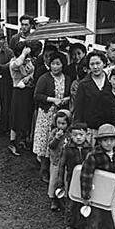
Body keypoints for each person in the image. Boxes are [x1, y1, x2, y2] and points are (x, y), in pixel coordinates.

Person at [80, 123, 115, 229]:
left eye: (111, 140)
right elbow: (86, 176)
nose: (109, 143)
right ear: (99, 141)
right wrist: (86, 196)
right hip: (97, 193)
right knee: (96, 220)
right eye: (105, 140)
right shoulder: (93, 155)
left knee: (109, 220)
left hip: (111, 194)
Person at [33, 53, 71, 183]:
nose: (55, 67)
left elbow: (70, 94)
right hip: (47, 114)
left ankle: (55, 170)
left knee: (58, 140)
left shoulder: (67, 78)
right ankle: (44, 170)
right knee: (45, 141)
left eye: (58, 64)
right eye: (53, 64)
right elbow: (37, 95)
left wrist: (66, 99)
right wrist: (52, 100)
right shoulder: (44, 78)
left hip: (61, 115)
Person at [56, 122, 91, 229]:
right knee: (72, 202)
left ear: (86, 134)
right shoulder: (67, 148)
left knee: (86, 201)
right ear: (70, 135)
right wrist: (60, 183)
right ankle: (70, 223)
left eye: (81, 134)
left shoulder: (90, 149)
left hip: (86, 180)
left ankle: (84, 222)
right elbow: (61, 166)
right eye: (75, 135)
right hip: (72, 179)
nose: (78, 137)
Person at [72, 51, 110, 135]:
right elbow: (79, 108)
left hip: (108, 128)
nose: (95, 67)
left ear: (104, 63)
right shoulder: (84, 84)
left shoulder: (110, 81)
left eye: (98, 63)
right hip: (90, 129)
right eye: (92, 64)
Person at [8, 41, 35, 155]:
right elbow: (17, 64)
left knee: (26, 115)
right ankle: (12, 142)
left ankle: (23, 140)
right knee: (16, 117)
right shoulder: (14, 62)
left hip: (27, 91)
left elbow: (33, 72)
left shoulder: (27, 61)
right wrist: (23, 54)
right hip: (18, 92)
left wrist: (29, 77)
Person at [47, 109, 72, 211]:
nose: (61, 126)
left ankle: (61, 197)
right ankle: (53, 198)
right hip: (56, 161)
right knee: (54, 179)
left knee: (64, 180)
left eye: (63, 123)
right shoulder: (54, 132)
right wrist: (56, 138)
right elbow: (51, 146)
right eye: (59, 123)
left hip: (65, 163)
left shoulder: (70, 134)